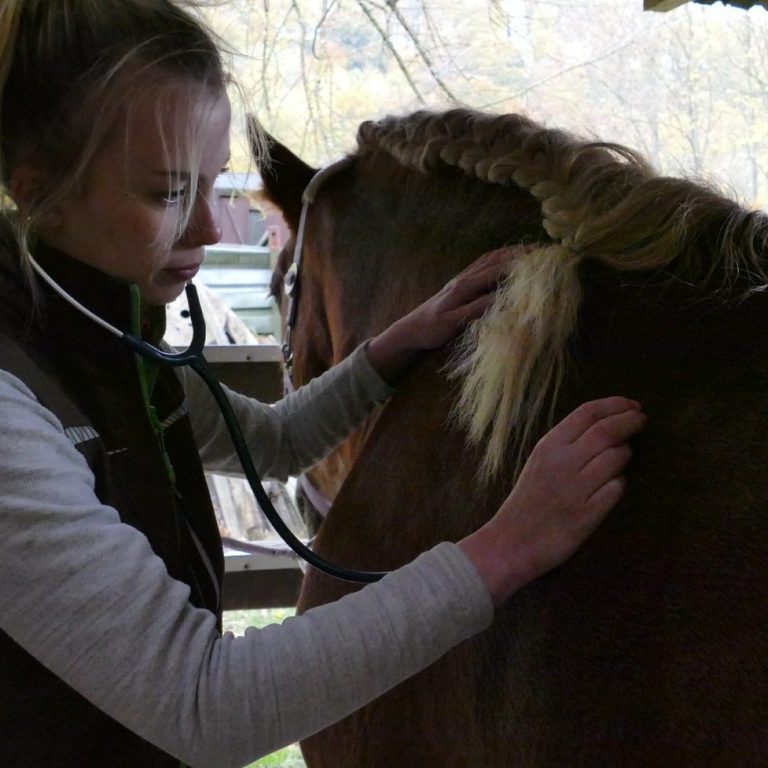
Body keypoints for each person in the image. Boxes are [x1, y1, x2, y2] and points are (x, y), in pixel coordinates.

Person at [0, 2, 646, 767]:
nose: (209, 229)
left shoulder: (112, 343)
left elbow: (270, 441)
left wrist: (400, 342)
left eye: (211, 185)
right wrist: (507, 548)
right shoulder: (19, 401)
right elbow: (205, 703)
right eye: (169, 193)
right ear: (39, 190)